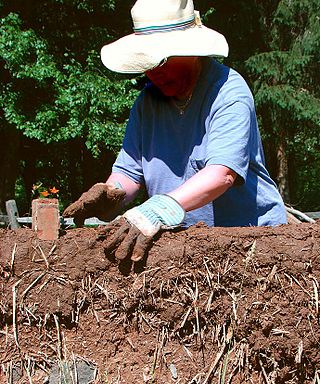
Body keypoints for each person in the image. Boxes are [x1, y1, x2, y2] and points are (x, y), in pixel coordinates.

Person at [63, 0, 287, 262]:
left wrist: (157, 209)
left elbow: (222, 174)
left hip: (249, 244)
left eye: (163, 60)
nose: (154, 72)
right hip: (182, 246)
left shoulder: (228, 92)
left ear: (193, 50)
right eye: (147, 62)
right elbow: (130, 173)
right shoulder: (147, 102)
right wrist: (111, 193)